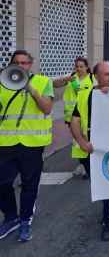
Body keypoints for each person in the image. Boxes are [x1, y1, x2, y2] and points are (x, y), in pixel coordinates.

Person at [0, 50, 54, 242]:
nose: (21, 66)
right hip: (6, 142)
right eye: (17, 63)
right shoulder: (2, 82)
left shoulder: (43, 82)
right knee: (2, 182)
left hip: (32, 142)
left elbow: (47, 108)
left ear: (30, 64)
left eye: (25, 63)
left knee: (29, 185)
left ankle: (24, 220)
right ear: (11, 64)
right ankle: (11, 217)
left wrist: (31, 89)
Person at [69, 62, 109, 241]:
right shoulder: (85, 95)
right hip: (92, 149)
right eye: (106, 74)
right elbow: (75, 121)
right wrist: (81, 142)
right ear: (96, 76)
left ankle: (108, 220)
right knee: (100, 184)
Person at [53, 57, 93, 126]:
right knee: (75, 136)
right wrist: (64, 80)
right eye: (77, 66)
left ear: (86, 67)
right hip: (71, 115)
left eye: (81, 67)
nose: (78, 69)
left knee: (84, 135)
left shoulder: (92, 78)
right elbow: (55, 85)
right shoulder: (71, 76)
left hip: (86, 115)